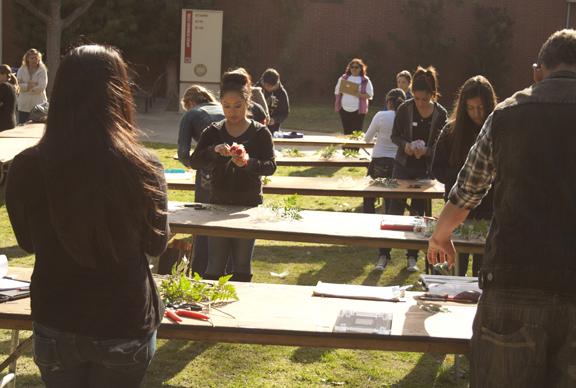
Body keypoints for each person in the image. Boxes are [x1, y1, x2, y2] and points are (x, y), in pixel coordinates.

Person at [6, 44, 168, 387]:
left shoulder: (26, 166)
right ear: (120, 93)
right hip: (124, 318)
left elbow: (28, 242)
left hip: (57, 315)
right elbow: (156, 244)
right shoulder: (144, 166)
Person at [427, 29, 576, 387]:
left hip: (514, 282)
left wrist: (440, 236)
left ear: (537, 71)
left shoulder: (507, 114)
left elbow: (466, 192)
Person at [189, 69, 276, 282]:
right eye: (226, 107)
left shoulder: (259, 133)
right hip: (219, 202)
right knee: (215, 264)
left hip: (248, 205)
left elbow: (271, 166)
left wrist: (248, 162)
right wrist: (214, 151)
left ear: (248, 104)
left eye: (237, 106)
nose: (232, 112)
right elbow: (195, 161)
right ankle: (211, 309)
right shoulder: (213, 131)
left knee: (242, 265)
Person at [432, 76, 497, 276]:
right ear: (463, 107)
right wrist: (459, 179)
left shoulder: (497, 130)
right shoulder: (450, 131)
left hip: (487, 211)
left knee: (482, 269)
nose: (477, 114)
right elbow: (436, 169)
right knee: (455, 264)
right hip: (455, 210)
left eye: (481, 108)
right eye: (471, 108)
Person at [388, 66, 447, 272]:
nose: (420, 103)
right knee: (394, 208)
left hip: (425, 170)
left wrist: (427, 151)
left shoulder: (441, 113)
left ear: (432, 95)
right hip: (403, 166)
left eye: (424, 99)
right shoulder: (405, 108)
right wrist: (406, 146)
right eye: (416, 98)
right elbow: (395, 135)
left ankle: (412, 256)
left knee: (418, 214)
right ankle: (383, 253)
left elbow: (442, 145)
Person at [177, 84, 225, 275]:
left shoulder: (191, 114)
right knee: (226, 218)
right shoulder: (223, 108)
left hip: (208, 170)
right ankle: (226, 269)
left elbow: (183, 152)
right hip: (235, 168)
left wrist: (191, 163)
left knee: (203, 219)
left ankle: (201, 270)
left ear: (189, 102)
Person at [363, 88, 406, 271]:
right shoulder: (405, 117)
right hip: (397, 162)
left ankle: (369, 228)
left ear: (388, 102)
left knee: (369, 196)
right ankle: (386, 235)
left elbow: (367, 138)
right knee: (391, 203)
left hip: (379, 161)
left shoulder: (381, 115)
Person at [334, 58, 374, 135]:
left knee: (356, 133)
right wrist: (342, 90)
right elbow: (336, 91)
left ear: (361, 68)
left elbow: (370, 95)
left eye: (356, 67)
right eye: (352, 67)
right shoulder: (343, 78)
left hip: (358, 111)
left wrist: (359, 94)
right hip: (344, 109)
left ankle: (355, 147)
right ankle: (347, 147)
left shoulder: (365, 80)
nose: (354, 69)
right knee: (347, 132)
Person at [16, 48, 48, 124]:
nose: (34, 60)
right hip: (24, 105)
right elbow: (18, 85)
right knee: (22, 127)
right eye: (32, 58)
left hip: (39, 106)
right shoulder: (21, 69)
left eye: (36, 58)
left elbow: (41, 87)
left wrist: (26, 86)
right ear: (27, 59)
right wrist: (30, 85)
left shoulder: (42, 70)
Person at [257, 68, 289, 132]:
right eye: (265, 85)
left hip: (273, 129)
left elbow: (284, 112)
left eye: (269, 86)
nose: (267, 87)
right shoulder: (258, 88)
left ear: (277, 83)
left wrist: (275, 120)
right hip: (257, 127)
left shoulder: (282, 94)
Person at [0, 64, 18, 131]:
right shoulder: (11, 86)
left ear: (4, 75)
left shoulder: (4, 87)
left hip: (3, 124)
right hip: (10, 122)